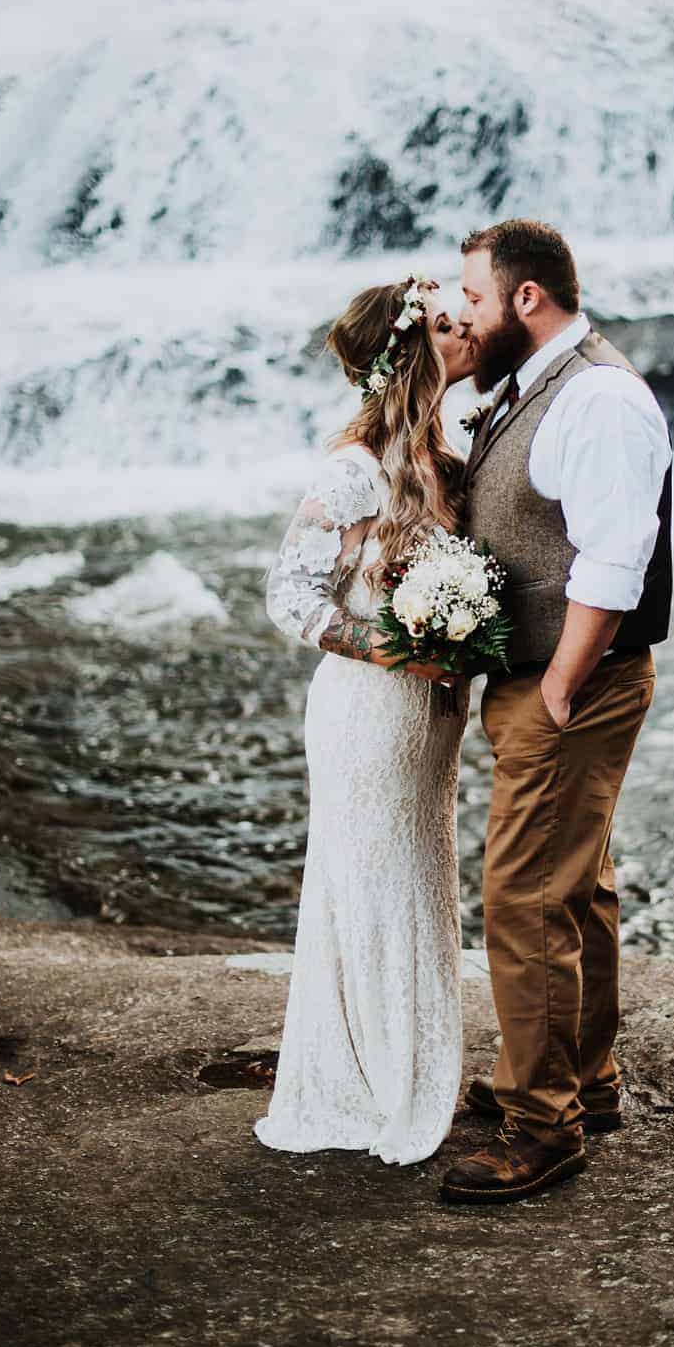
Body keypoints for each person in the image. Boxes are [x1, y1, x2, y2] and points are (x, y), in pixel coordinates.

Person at [439, 218, 673, 1205]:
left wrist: (562, 691)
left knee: (524, 899)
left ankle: (544, 1129)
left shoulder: (603, 399)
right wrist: (449, 379)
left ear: (527, 298)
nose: (465, 315)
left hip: (570, 685)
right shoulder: (527, 385)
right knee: (577, 888)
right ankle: (586, 1078)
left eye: (478, 300)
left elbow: (614, 559)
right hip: (544, 681)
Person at [253, 275, 475, 1166]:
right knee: (373, 885)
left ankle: (409, 1061)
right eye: (453, 325)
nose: (470, 331)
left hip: (428, 718)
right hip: (370, 713)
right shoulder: (355, 470)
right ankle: (379, 1078)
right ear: (418, 350)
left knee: (418, 880)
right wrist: (391, 647)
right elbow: (289, 597)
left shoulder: (440, 455)